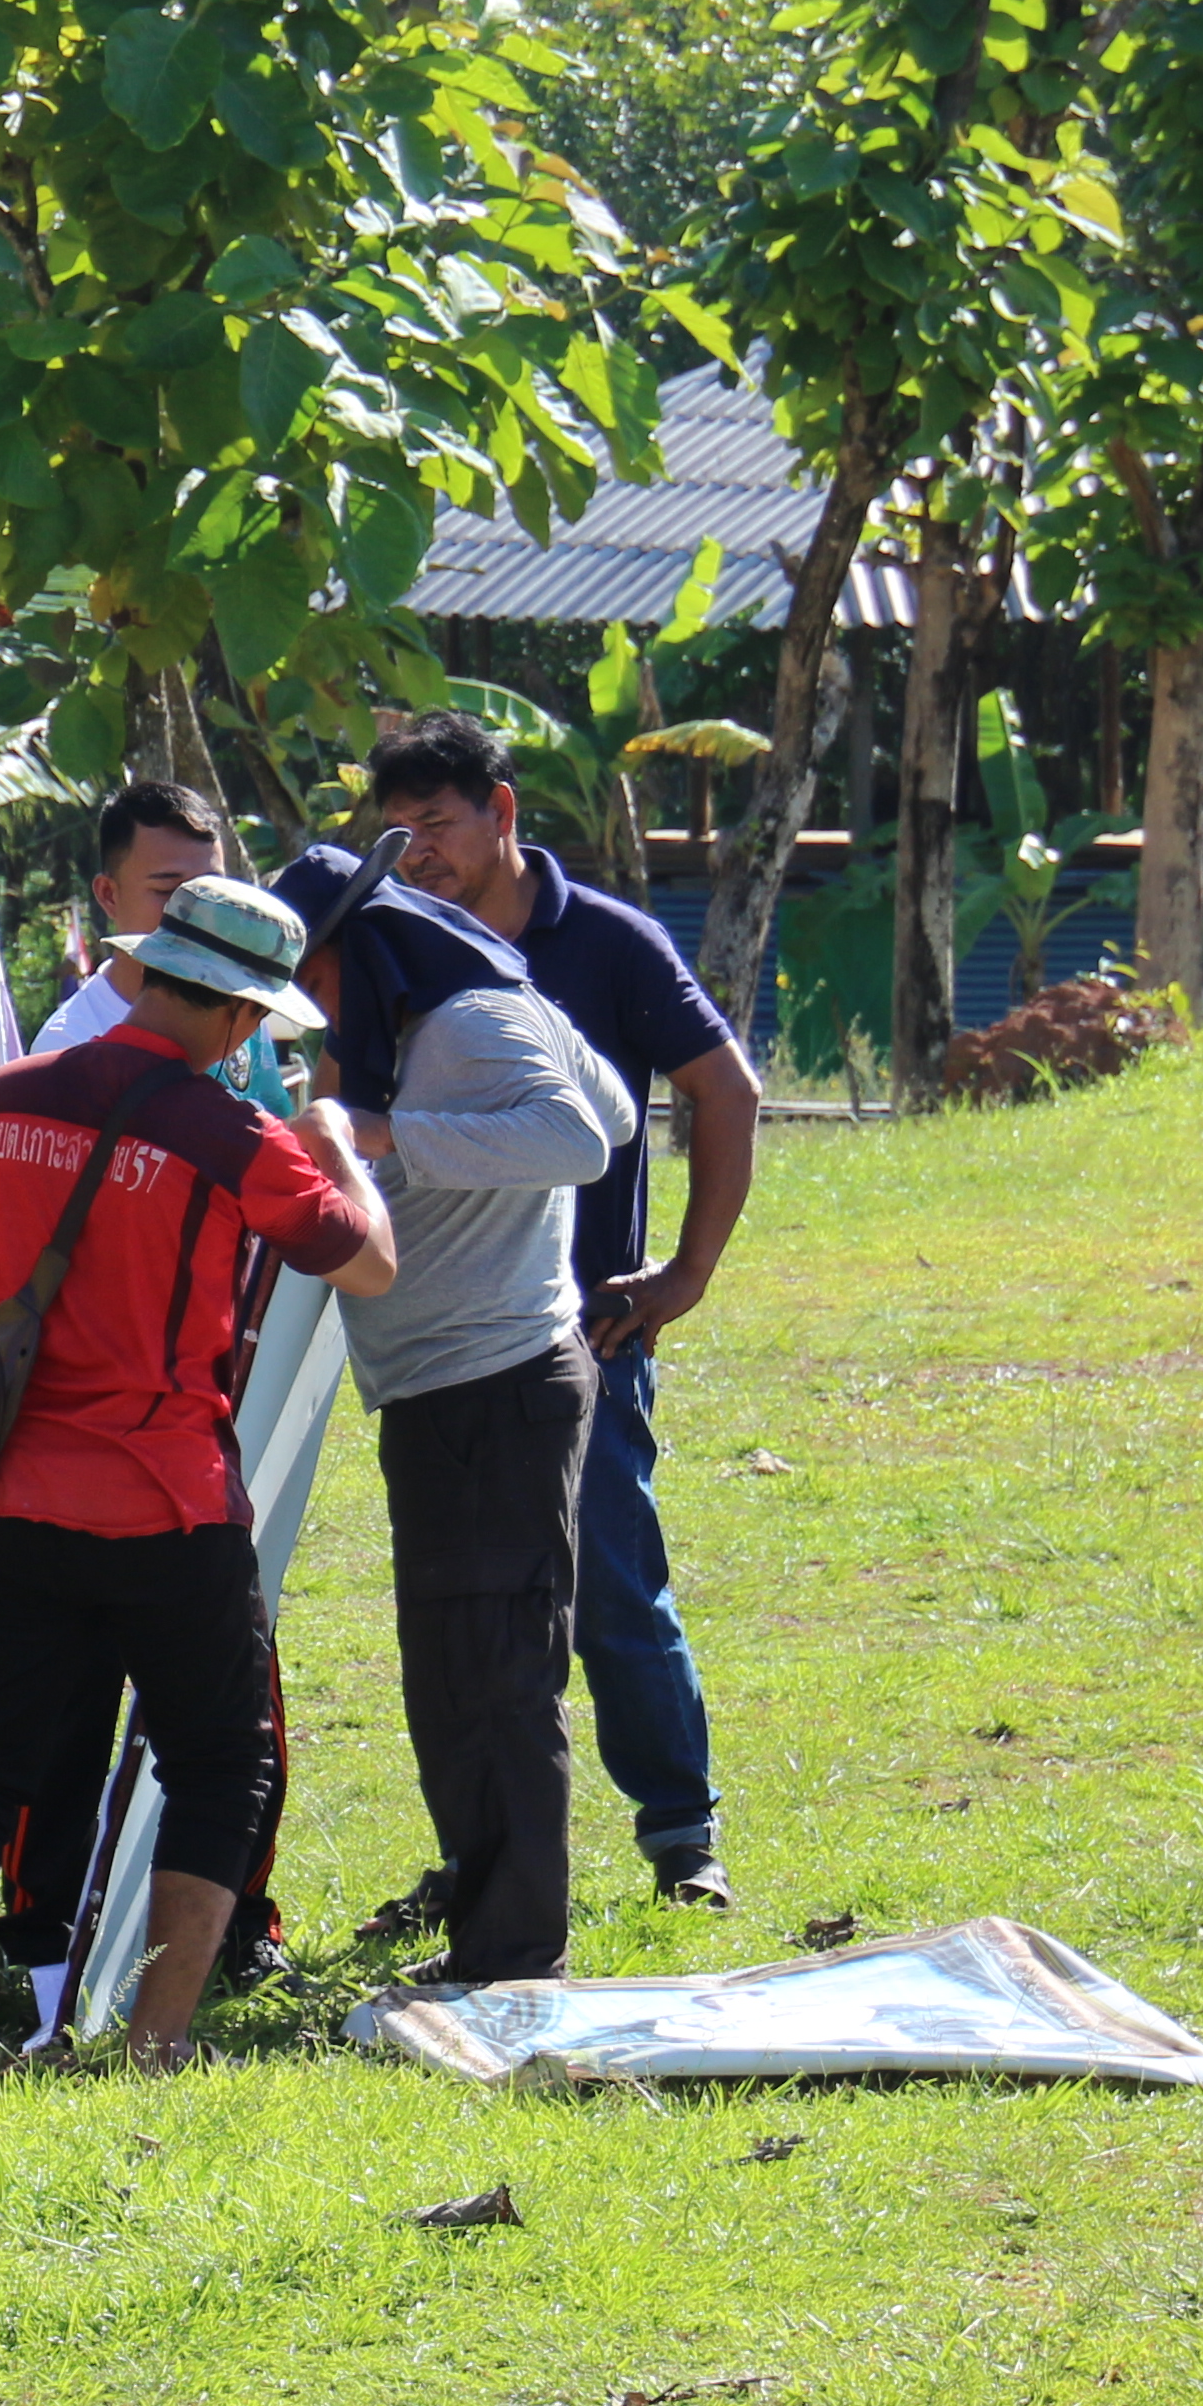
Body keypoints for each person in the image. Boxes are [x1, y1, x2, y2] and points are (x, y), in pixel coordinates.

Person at [0, 876, 397, 2089]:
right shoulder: (233, 1132)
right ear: (239, 1020)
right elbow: (369, 1264)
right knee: (223, 1763)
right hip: (170, 1505)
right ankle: (156, 2041)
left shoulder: (8, 1099)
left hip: (13, 1501)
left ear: (147, 970)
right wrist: (337, 1148)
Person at [367, 710, 766, 1910]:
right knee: (467, 1617)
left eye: (436, 824)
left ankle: (681, 1837)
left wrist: (685, 1274)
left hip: (579, 1331)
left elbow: (724, 1091)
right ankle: (479, 1861)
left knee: (608, 1584)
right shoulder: (388, 947)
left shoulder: (607, 941)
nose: (417, 852)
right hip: (437, 1339)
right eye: (395, 832)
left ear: (503, 814)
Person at [265, 848, 632, 1989]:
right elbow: (612, 1105)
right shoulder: (468, 1010)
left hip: (494, 1388)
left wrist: (384, 1139)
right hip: (462, 1390)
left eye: (312, 976)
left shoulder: (467, 1022)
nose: (310, 1007)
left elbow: (580, 1140)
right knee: (457, 1677)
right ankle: (494, 1933)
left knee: (493, 1682)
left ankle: (514, 1957)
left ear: (354, 953)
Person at [24, 779, 229, 1059]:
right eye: (168, 891)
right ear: (109, 895)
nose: (196, 910)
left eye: (211, 891)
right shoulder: (69, 1047)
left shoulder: (239, 1016)